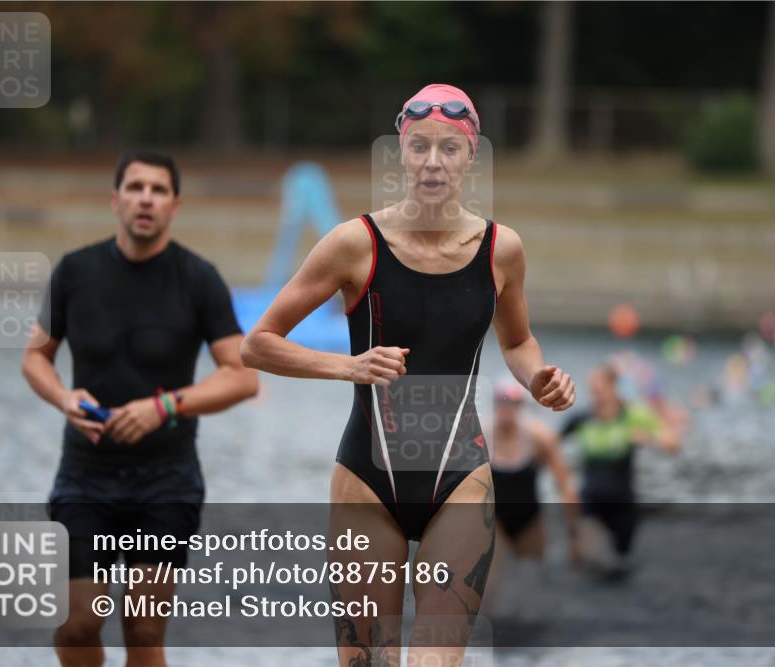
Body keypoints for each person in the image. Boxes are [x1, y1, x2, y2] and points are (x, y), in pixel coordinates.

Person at [241, 83, 575, 666]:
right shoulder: (355, 244)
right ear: (402, 152)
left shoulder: (502, 250)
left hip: (460, 479)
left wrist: (538, 377)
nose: (432, 162)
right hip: (368, 481)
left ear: (472, 156)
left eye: (449, 148)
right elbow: (259, 345)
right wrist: (349, 365)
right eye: (419, 146)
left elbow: (517, 340)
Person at [21, 150, 259, 667]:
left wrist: (166, 406)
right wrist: (64, 397)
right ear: (116, 200)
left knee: (144, 628)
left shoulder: (199, 279)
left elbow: (242, 377)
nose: (145, 198)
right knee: (79, 624)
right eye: (135, 188)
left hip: (166, 479)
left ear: (174, 205)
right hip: (86, 475)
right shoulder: (74, 272)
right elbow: (36, 357)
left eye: (157, 190)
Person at [560, 365, 680, 571]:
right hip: (591, 502)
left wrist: (648, 437)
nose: (597, 396)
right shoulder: (581, 419)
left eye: (601, 390)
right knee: (596, 558)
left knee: (620, 564)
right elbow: (550, 445)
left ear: (614, 388)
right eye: (593, 391)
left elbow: (672, 443)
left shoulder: (632, 416)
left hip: (623, 503)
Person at [490, 381, 580, 561]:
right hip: (494, 521)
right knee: (492, 579)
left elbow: (565, 484)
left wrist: (574, 533)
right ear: (494, 405)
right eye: (502, 402)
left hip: (530, 521)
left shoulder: (540, 437)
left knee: (533, 577)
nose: (506, 408)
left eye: (512, 403)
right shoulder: (479, 436)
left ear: (521, 406)